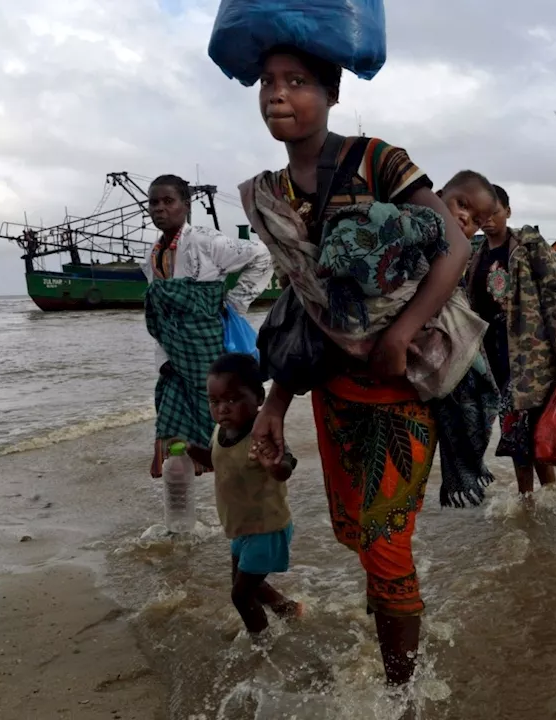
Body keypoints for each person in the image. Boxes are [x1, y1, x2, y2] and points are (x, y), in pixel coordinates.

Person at [236, 45, 496, 686]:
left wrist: (401, 331)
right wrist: (274, 404)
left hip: (404, 384)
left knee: (384, 545)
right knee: (360, 537)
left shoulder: (376, 159)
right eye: (268, 81)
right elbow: (304, 308)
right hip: (333, 392)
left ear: (332, 95)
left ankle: (399, 696)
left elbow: (455, 245)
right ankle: (391, 639)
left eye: (298, 81)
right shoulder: (271, 194)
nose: (279, 94)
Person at [141, 174, 273, 478]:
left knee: (217, 411)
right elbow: (160, 315)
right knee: (173, 417)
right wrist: (163, 360)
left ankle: (242, 473)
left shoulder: (205, 241)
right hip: (174, 353)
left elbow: (262, 256)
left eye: (168, 201)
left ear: (185, 206)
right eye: (153, 202)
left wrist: (236, 303)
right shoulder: (151, 255)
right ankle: (191, 491)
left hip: (205, 345)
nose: (159, 208)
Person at [469, 184, 556, 494]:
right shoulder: (476, 256)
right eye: (482, 214)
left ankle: (542, 497)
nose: (488, 219)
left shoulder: (529, 247)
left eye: (495, 212)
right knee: (516, 430)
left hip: (531, 356)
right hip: (495, 355)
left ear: (508, 211)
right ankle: (534, 501)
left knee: (530, 430)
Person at [187, 353, 301, 638]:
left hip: (266, 527)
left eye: (232, 400)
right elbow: (221, 461)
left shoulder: (261, 436)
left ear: (259, 398)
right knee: (248, 585)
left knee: (240, 595)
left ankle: (263, 646)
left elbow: (285, 464)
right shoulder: (221, 431)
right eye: (215, 402)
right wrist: (191, 451)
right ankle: (288, 609)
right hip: (241, 528)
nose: (222, 409)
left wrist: (276, 466)